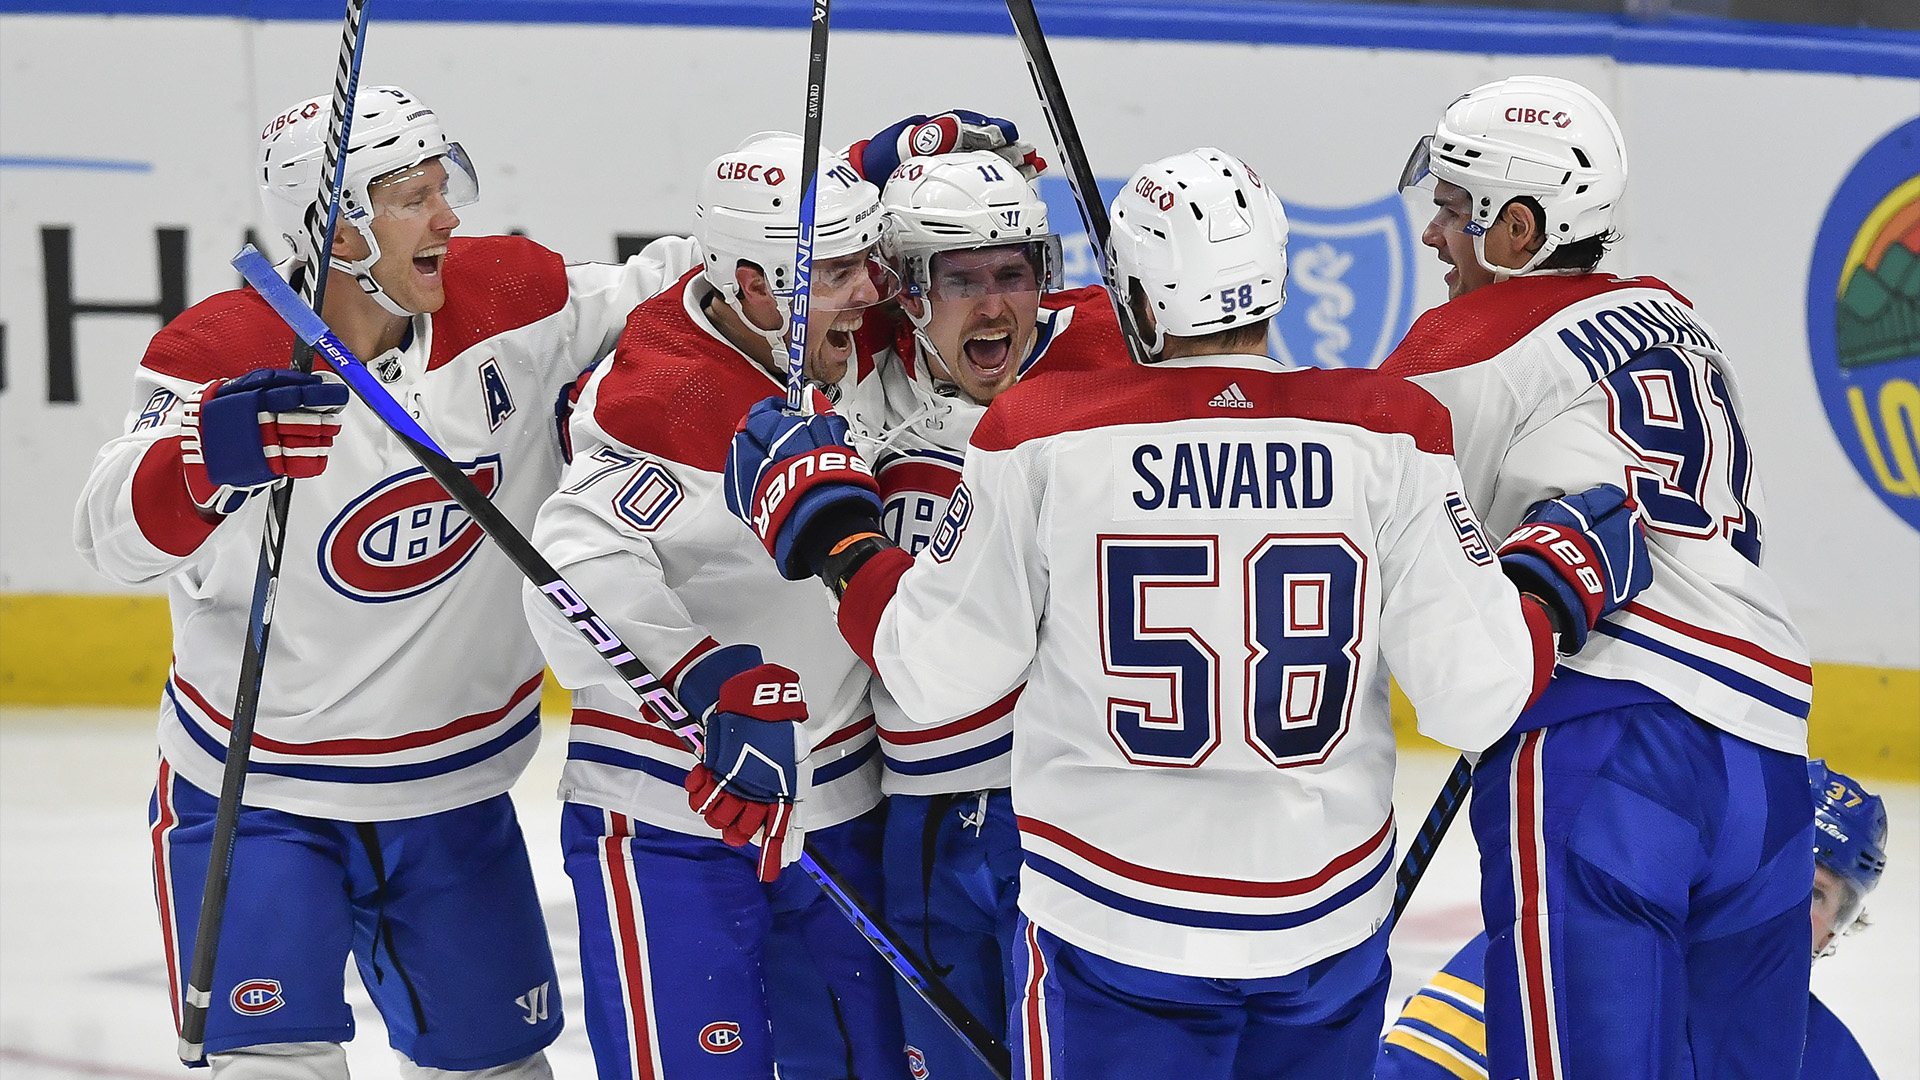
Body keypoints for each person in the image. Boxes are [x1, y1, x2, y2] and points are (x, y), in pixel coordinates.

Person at [722, 146, 1651, 1078]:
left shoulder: (1044, 436)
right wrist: (1548, 592)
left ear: (1132, 294)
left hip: (1113, 922)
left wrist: (835, 537)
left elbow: (932, 671)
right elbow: (1477, 696)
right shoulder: (1387, 431)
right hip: (1323, 925)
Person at [73, 86, 700, 1078]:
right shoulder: (224, 359)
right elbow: (108, 531)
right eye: (413, 196)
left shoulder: (507, 301)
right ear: (338, 225)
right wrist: (206, 457)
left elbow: (671, 286)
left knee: (499, 1071)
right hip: (259, 798)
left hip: (453, 797)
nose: (448, 216)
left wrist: (839, 202)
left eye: (443, 188)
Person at [1384, 74, 1817, 1080]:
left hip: (1606, 744)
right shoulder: (1678, 322)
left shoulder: (1471, 345)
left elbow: (1325, 494)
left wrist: (1170, 379)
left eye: (1453, 209)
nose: (1432, 236)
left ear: (1519, 228)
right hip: (1768, 756)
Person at [519, 131, 909, 1080]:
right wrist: (707, 679)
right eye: (840, 270)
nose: (869, 292)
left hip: (844, 793)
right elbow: (570, 562)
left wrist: (891, 153)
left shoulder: (835, 326)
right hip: (677, 810)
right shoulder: (668, 396)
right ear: (750, 286)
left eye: (871, 260)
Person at [837, 149, 1129, 1080]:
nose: (996, 305)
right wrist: (873, 159)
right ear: (909, 292)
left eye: (1015, 274)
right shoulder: (856, 366)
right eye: (962, 280)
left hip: (1073, 800)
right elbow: (754, 261)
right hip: (920, 801)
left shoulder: (1117, 354)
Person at [1378, 760, 1890, 1080]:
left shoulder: (1824, 1055)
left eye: (1818, 897)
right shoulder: (1568, 949)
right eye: (1782, 880)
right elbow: (1415, 1068)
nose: (1787, 912)